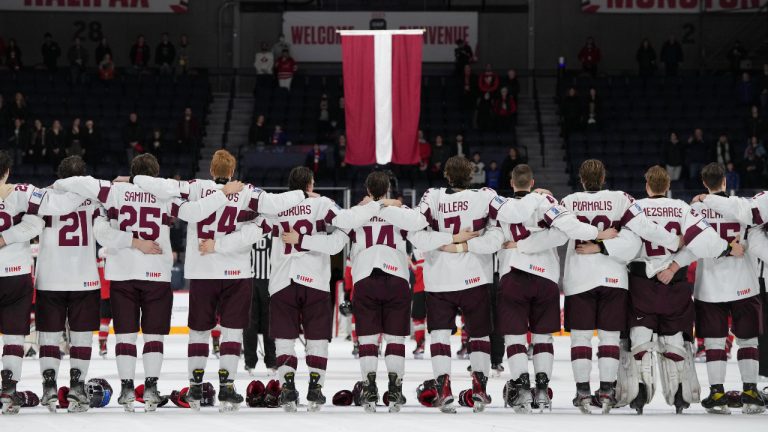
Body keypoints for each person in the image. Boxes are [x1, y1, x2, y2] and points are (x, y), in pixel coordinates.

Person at [52, 153, 244, 413]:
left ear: (133, 173)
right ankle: (151, 387)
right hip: (157, 274)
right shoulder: (165, 196)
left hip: (122, 272)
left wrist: (59, 185)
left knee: (125, 335)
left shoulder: (114, 192)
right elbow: (196, 212)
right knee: (154, 336)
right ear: (154, 175)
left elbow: (87, 196)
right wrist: (224, 193)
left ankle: (128, 388)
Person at [132, 149, 304, 412]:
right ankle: (227, 386)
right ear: (232, 171)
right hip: (236, 273)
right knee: (231, 332)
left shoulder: (197, 187)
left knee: (199, 332)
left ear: (211, 171)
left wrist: (133, 180)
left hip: (202, 273)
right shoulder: (246, 192)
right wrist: (304, 193)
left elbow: (156, 184)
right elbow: (277, 206)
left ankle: (196, 386)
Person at [410, 156, 557, 413]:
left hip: (439, 278)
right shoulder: (486, 195)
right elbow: (505, 227)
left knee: (440, 336)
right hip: (475, 277)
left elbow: (414, 233)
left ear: (446, 175)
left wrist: (450, 240)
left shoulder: (432, 196)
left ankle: (443, 390)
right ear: (471, 176)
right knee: (479, 335)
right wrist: (537, 196)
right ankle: (479, 390)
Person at [478, 165, 616, 412]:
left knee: (515, 338)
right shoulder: (546, 201)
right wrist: (597, 233)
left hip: (513, 274)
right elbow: (567, 232)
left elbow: (492, 241)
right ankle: (542, 390)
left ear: (512, 183)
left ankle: (521, 389)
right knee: (543, 338)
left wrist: (519, 245)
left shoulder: (500, 206)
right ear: (531, 183)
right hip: (546, 277)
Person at [260, 166, 392, 412]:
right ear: (310, 184)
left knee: (285, 339)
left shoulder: (275, 205)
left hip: (281, 280)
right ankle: (315, 388)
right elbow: (345, 225)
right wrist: (373, 206)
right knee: (317, 339)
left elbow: (254, 228)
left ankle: (287, 389)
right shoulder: (322, 203)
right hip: (315, 280)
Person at [559, 159, 680, 414]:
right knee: (610, 338)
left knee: (580, 338)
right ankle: (606, 391)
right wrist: (673, 240)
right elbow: (643, 230)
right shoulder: (621, 199)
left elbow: (557, 230)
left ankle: (582, 392)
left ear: (581, 179)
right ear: (604, 178)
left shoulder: (569, 201)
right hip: (614, 277)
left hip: (579, 278)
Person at [617, 166, 737, 414]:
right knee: (674, 340)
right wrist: (675, 265)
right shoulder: (683, 208)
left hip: (641, 282)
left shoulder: (635, 208)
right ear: (668, 185)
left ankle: (638, 394)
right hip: (676, 284)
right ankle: (681, 396)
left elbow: (626, 246)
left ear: (647, 185)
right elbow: (701, 243)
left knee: (640, 338)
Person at [305, 171, 427, 413]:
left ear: (367, 190)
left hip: (365, 278)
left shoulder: (355, 214)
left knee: (368, 339)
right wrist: (390, 205)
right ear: (389, 189)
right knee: (395, 339)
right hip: (396, 278)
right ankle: (395, 389)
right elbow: (420, 225)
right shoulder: (400, 214)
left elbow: (336, 233)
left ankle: (369, 387)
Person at [34, 156, 132, 413]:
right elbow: (104, 231)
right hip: (85, 277)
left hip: (50, 277)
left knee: (49, 337)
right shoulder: (96, 199)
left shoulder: (43, 195)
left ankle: (49, 387)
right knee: (81, 338)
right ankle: (77, 388)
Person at [689, 163, 765, 414]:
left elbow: (691, 244)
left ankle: (718, 393)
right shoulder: (741, 207)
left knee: (713, 343)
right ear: (725, 182)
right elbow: (754, 242)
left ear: (704, 183)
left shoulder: (695, 209)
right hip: (743, 281)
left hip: (709, 285)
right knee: (748, 342)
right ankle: (751, 393)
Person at [0, 152, 62, 414]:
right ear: (7, 171)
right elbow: (37, 223)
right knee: (14, 335)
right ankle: (8, 391)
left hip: (15, 273)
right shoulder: (23, 191)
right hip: (15, 272)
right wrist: (5, 238)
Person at [243, 231, 275, 375]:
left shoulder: (249, 230)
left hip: (254, 280)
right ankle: (270, 361)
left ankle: (252, 362)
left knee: (253, 324)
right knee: (259, 324)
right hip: (264, 281)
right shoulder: (273, 231)